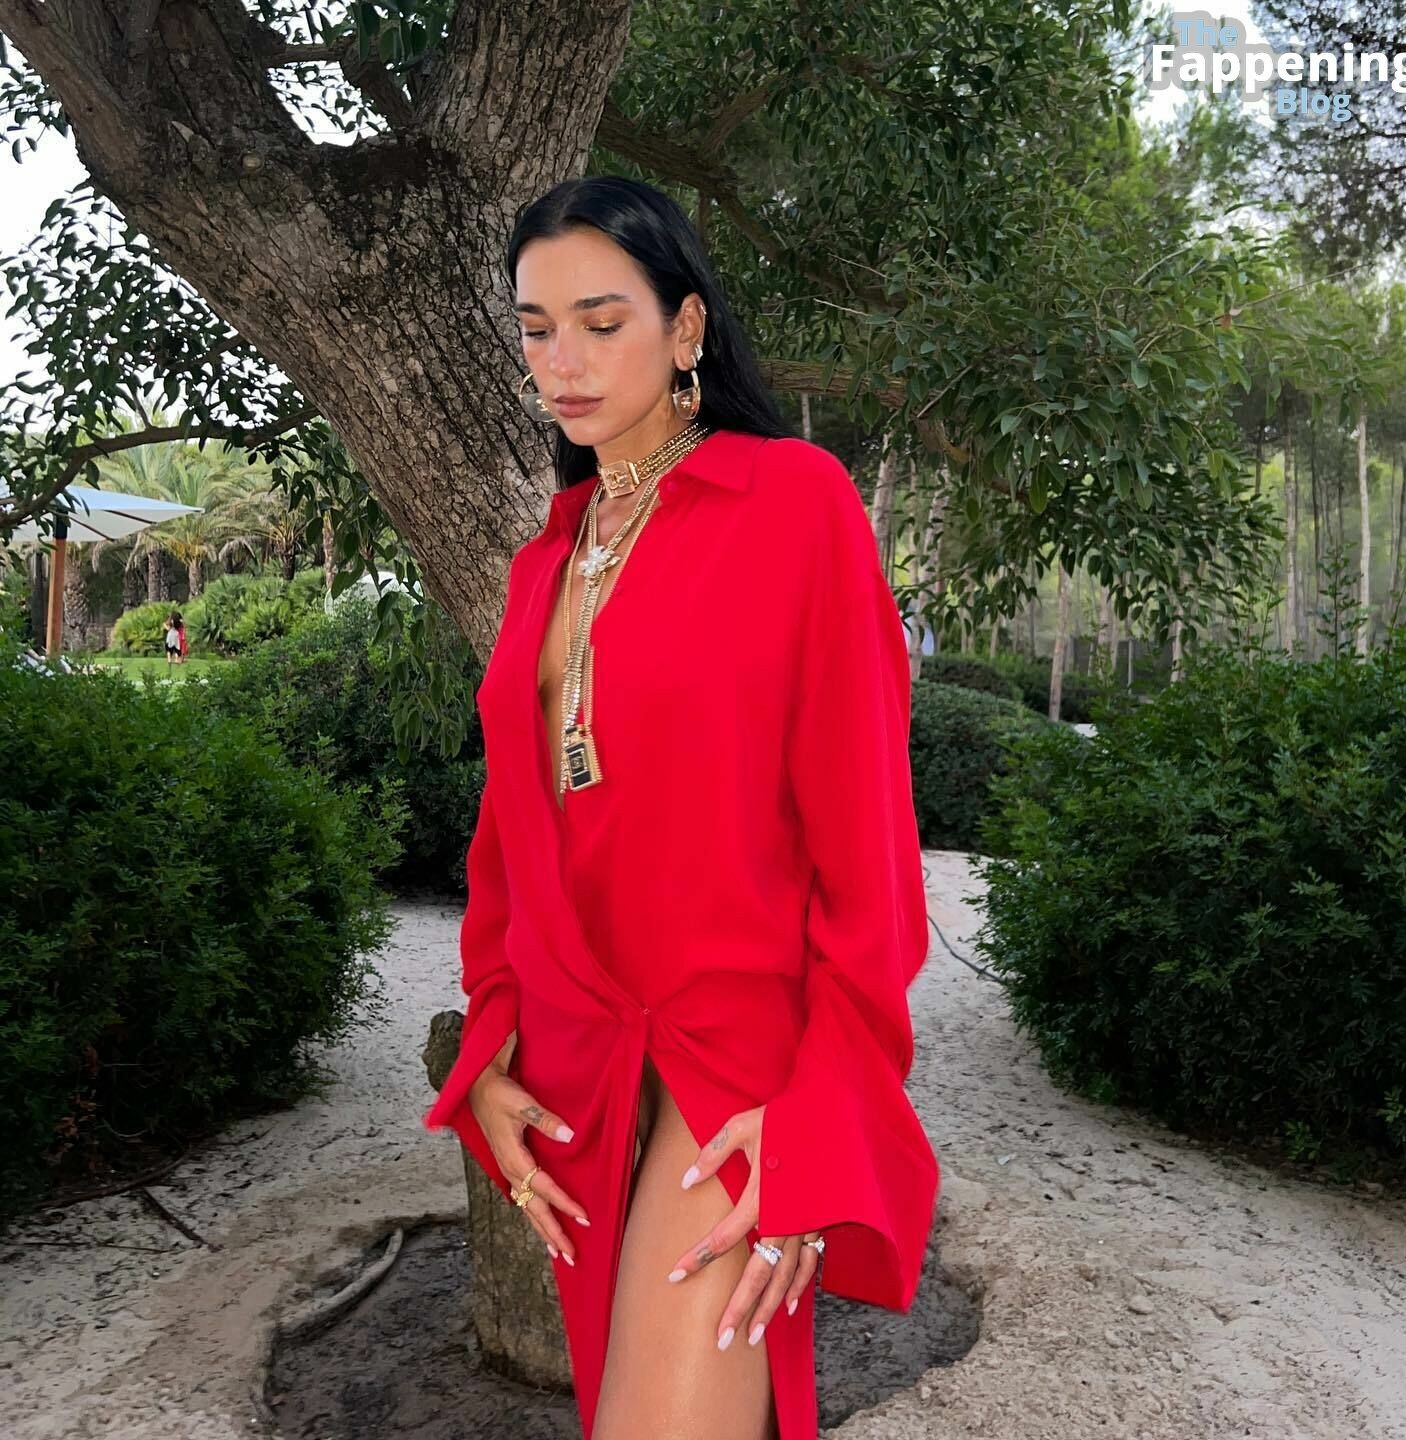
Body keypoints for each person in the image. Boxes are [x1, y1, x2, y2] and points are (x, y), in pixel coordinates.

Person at [422, 176, 938, 1440]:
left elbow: (868, 847)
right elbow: (510, 836)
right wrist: (489, 1045)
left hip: (732, 1061)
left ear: (686, 326)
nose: (563, 361)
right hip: (579, 1068)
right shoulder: (546, 558)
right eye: (537, 329)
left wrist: (822, 1114)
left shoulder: (792, 503)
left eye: (602, 322)